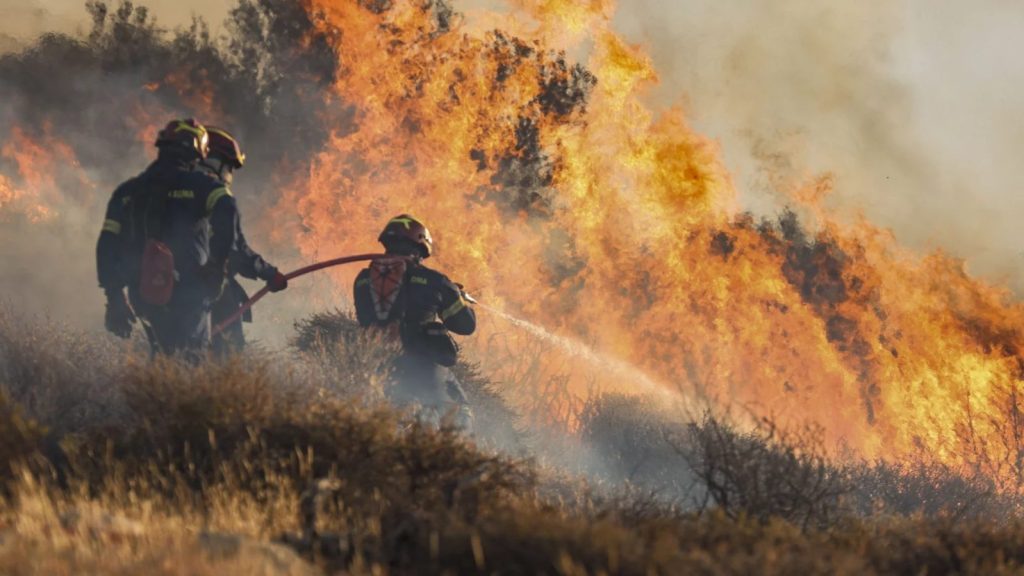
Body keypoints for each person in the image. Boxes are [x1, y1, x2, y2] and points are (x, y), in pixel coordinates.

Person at [96, 118, 244, 358]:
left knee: (162, 356)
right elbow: (228, 211)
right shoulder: (202, 186)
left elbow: (107, 245)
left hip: (143, 292)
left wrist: (114, 297)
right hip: (189, 291)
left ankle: (159, 382)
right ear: (197, 150)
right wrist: (216, 267)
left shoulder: (127, 191)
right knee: (190, 358)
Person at [353, 215, 476, 429]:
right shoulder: (435, 281)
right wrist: (456, 296)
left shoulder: (363, 279)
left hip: (375, 370)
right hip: (424, 371)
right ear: (420, 247)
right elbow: (465, 325)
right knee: (459, 415)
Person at [197, 126, 287, 356]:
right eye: (228, 166)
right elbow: (235, 250)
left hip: (161, 287)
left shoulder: (167, 190)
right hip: (208, 286)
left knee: (173, 353)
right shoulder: (215, 194)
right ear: (214, 161)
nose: (229, 174)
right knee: (227, 352)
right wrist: (269, 273)